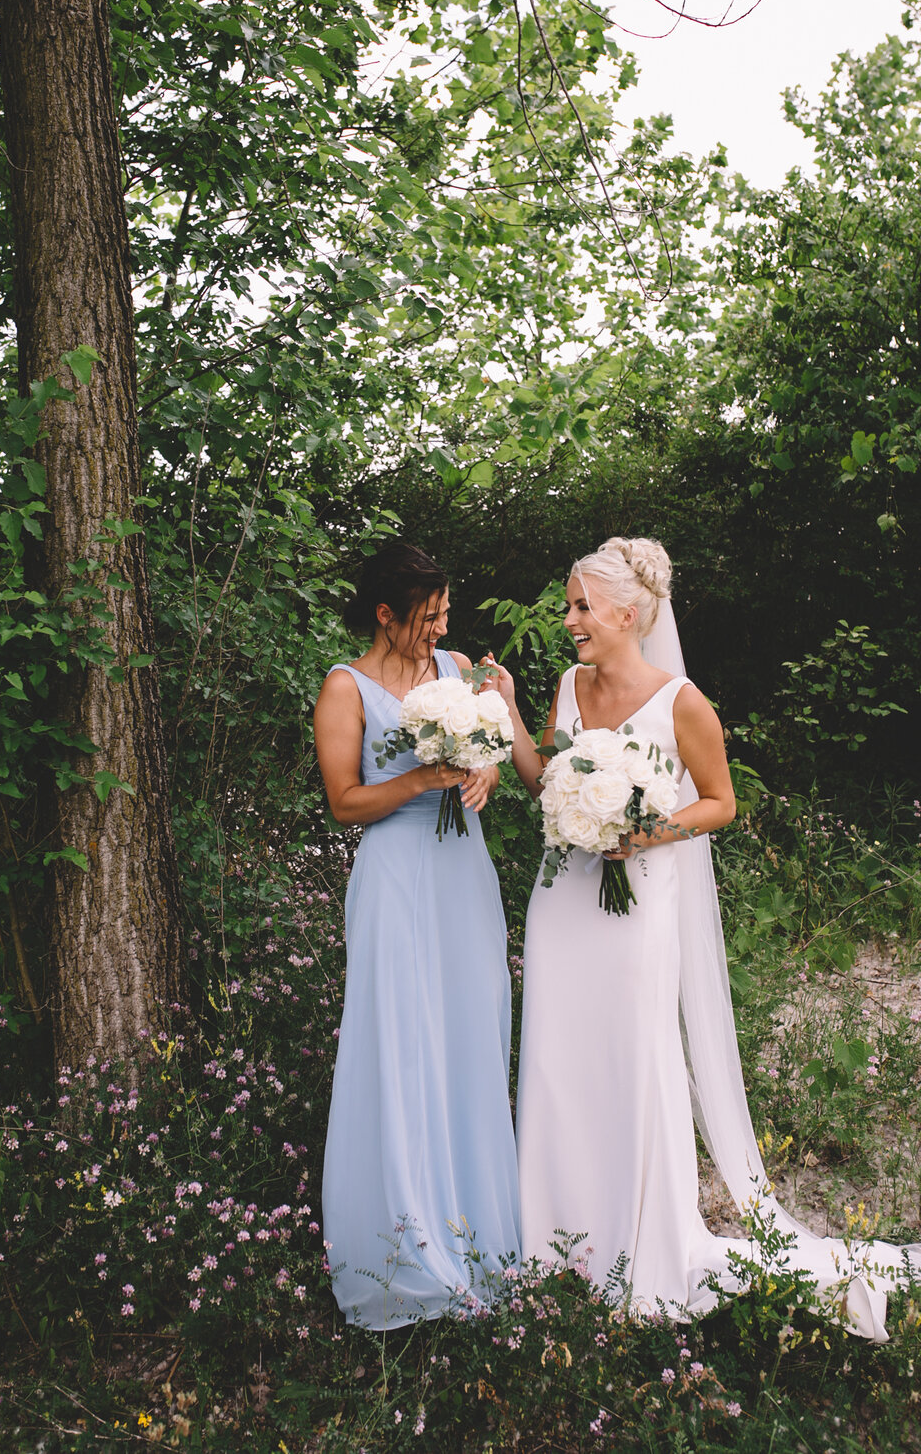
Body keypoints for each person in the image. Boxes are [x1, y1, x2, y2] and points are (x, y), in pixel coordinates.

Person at [486, 536, 920, 1341]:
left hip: (638, 904)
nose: (570, 618)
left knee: (633, 1055)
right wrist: (513, 709)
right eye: (571, 604)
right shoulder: (568, 685)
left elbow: (719, 802)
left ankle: (638, 1242)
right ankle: (552, 1240)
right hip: (564, 903)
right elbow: (544, 777)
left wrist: (647, 830)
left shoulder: (680, 702)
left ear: (628, 612)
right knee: (554, 1054)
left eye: (582, 606)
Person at [313, 542, 521, 1329]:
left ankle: (475, 1231)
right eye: (425, 617)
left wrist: (482, 772)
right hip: (396, 877)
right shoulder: (346, 688)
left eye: (443, 612)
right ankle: (404, 1244)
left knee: (468, 1033)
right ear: (385, 615)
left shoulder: (459, 669)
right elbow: (344, 802)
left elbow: (492, 756)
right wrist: (419, 780)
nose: (439, 628)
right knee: (400, 1039)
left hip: (460, 874)